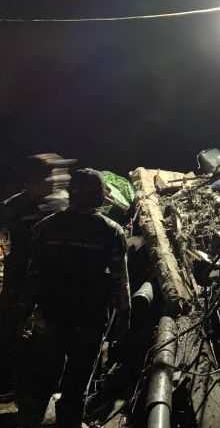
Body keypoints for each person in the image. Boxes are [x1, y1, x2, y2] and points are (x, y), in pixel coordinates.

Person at [16, 168, 130, 428]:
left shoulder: (45, 228)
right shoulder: (111, 231)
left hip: (51, 316)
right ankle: (68, 421)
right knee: (77, 380)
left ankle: (34, 418)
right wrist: (124, 316)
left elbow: (33, 276)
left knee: (44, 375)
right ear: (100, 196)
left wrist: (23, 315)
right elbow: (120, 280)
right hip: (90, 319)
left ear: (70, 193)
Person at [0, 154, 73, 393]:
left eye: (54, 176)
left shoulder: (63, 204)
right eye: (47, 177)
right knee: (12, 326)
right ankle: (10, 382)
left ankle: (45, 384)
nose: (54, 181)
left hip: (51, 279)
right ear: (30, 181)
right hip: (19, 276)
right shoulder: (12, 207)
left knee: (50, 332)